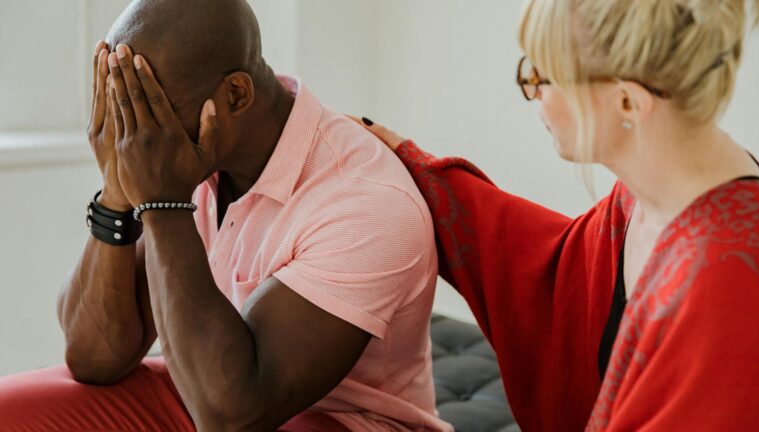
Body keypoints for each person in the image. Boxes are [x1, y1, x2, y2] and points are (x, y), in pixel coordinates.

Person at [0, 1, 451, 431]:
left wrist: (161, 205)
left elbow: (232, 419)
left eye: (153, 111)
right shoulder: (188, 152)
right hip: (208, 385)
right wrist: (117, 193)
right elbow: (95, 358)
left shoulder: (366, 201)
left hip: (342, 420)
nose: (137, 138)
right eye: (126, 108)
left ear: (236, 94)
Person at [353, 0, 759, 430]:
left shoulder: (730, 286)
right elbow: (561, 276)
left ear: (627, 101)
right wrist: (422, 176)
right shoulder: (651, 190)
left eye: (542, 76)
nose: (533, 93)